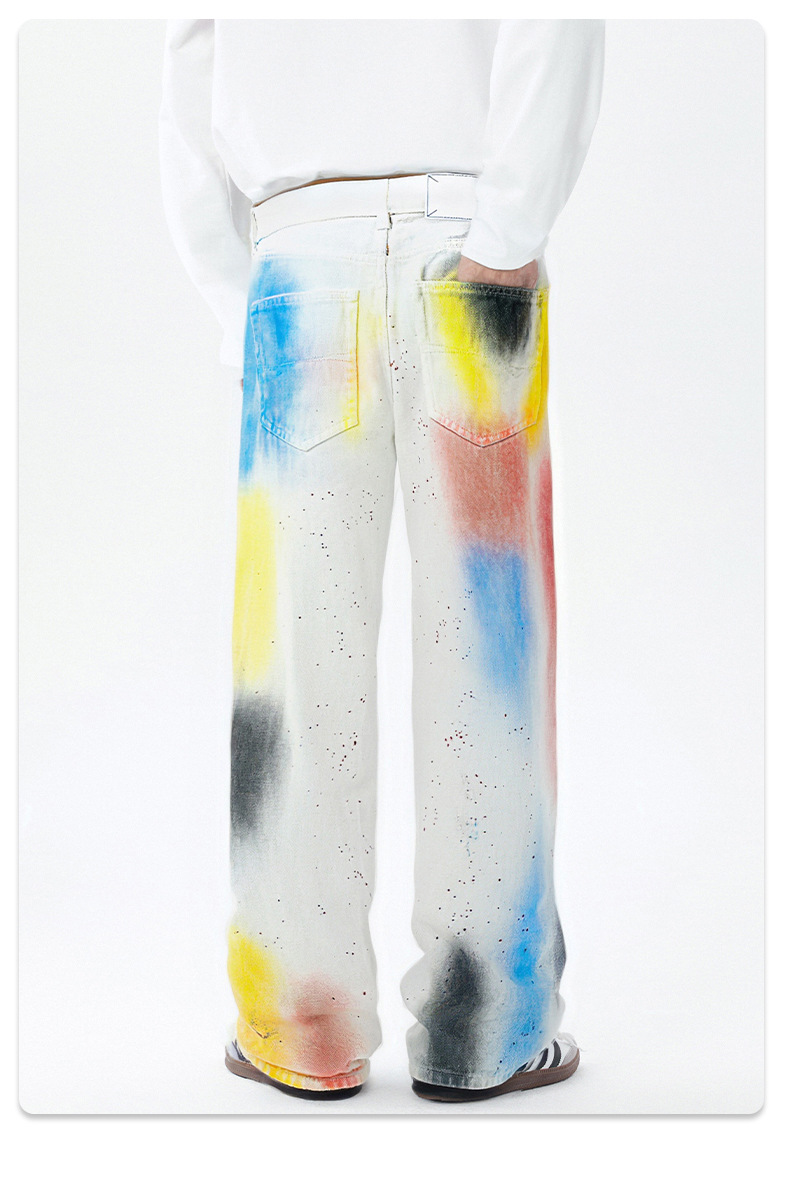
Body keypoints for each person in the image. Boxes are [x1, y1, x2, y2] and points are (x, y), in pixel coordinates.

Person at [158, 18, 605, 1104]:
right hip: (471, 242)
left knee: (295, 668)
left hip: (298, 261)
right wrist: (508, 228)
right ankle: (485, 1028)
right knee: (489, 662)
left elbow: (192, 57)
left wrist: (239, 298)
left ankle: (298, 1024)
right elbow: (555, 19)